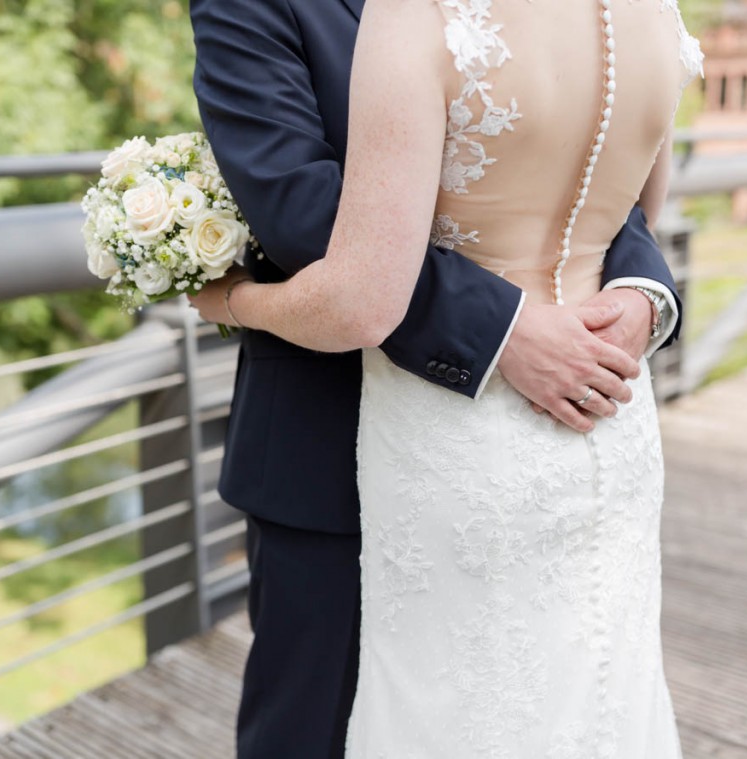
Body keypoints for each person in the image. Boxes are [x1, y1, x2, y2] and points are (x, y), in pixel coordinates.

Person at [188, 0, 698, 756]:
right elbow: (302, 210)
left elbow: (603, 182)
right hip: (330, 453)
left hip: (524, 440)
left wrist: (640, 293)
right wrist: (506, 325)